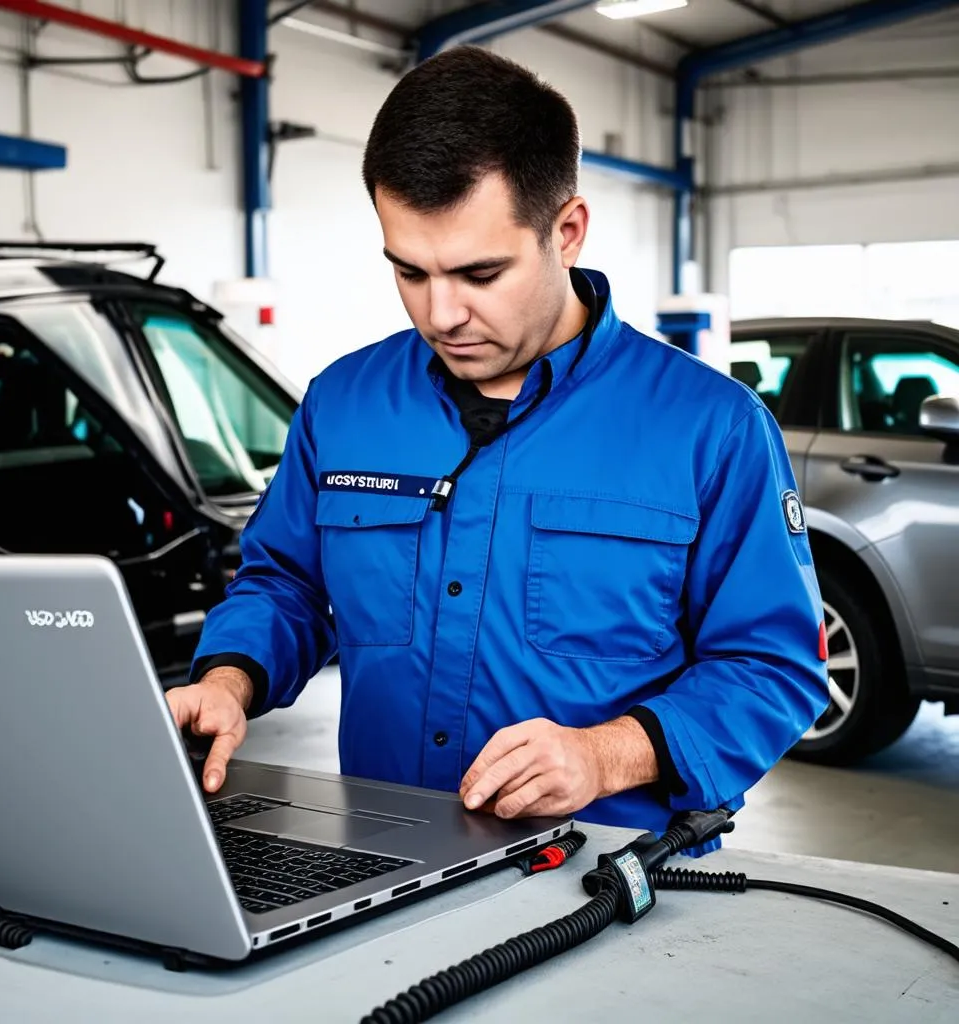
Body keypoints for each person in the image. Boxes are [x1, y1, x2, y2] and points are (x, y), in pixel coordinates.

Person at [165, 45, 829, 850]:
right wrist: (230, 678)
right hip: (382, 864)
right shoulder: (344, 405)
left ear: (568, 231)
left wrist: (607, 755)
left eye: (480, 273)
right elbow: (287, 585)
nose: (441, 314)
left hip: (613, 884)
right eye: (409, 271)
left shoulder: (711, 428)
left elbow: (772, 668)